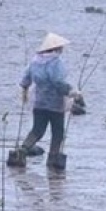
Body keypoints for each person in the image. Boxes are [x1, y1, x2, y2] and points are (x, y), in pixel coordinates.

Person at [19, 33, 80, 168]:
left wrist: (24, 90)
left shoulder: (34, 61)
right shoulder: (56, 63)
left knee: (37, 130)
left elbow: (25, 79)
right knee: (58, 132)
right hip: (55, 104)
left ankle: (22, 151)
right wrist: (71, 92)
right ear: (57, 48)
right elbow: (57, 82)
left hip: (39, 102)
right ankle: (53, 159)